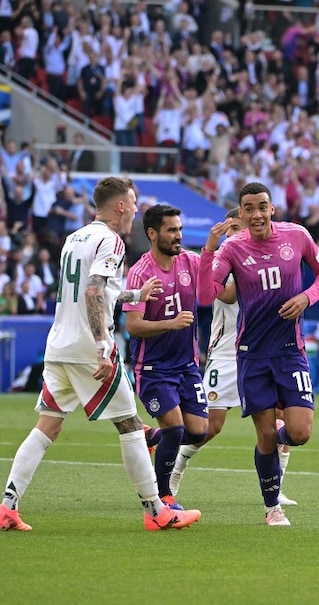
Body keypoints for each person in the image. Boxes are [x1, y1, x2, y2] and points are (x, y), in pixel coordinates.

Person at [0, 176, 200, 532]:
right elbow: (92, 293)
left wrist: (133, 296)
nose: (136, 210)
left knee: (47, 427)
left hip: (58, 346)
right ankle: (156, 511)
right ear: (120, 205)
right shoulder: (111, 240)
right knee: (132, 426)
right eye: (133, 203)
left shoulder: (74, 238)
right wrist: (104, 344)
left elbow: (92, 290)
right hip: (90, 349)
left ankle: (7, 506)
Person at [198, 182, 319, 526]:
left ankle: (276, 445)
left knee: (300, 432)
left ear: (272, 208)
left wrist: (306, 298)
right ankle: (272, 507)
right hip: (253, 354)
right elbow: (205, 296)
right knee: (265, 436)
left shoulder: (297, 236)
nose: (256, 214)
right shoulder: (231, 249)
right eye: (249, 208)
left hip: (291, 351)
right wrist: (209, 251)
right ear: (241, 213)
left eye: (262, 206)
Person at [169, 208, 297, 506]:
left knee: (283, 419)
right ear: (226, 231)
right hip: (226, 355)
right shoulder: (224, 258)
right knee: (210, 426)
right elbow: (226, 294)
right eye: (235, 228)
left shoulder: (265, 253)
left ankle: (276, 489)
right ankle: (175, 470)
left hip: (263, 352)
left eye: (244, 228)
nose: (242, 233)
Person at [123, 204, 209, 512]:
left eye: (180, 229)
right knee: (176, 430)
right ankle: (163, 498)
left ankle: (152, 437)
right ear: (152, 233)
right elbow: (133, 326)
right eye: (171, 230)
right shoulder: (140, 273)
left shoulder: (190, 261)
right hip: (153, 368)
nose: (178, 236)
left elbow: (216, 277)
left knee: (198, 431)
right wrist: (171, 324)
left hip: (186, 366)